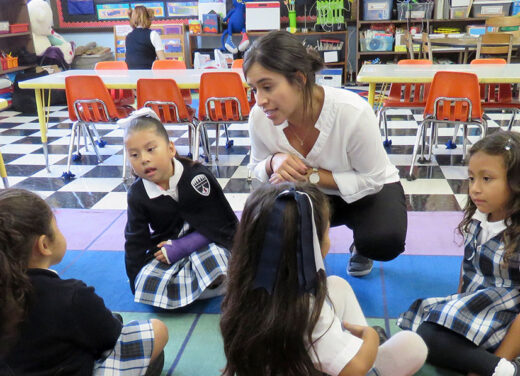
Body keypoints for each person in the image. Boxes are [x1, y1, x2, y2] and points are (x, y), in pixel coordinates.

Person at [220, 182, 428, 376]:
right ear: (311, 247)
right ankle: (363, 351)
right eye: (327, 232)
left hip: (282, 364)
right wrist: (370, 339)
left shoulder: (243, 285)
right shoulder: (308, 310)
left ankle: (352, 346)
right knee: (412, 345)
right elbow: (354, 370)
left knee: (337, 285)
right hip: (329, 365)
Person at [244, 30, 406, 277]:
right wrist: (272, 162)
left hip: (367, 191)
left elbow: (372, 180)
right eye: (254, 89)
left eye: (267, 87)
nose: (260, 100)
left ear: (299, 79)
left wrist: (310, 176)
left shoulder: (352, 113)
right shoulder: (259, 118)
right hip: (312, 196)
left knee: (383, 239)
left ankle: (362, 246)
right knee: (268, 226)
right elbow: (255, 168)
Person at [0, 188, 168, 376]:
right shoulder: (71, 296)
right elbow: (111, 337)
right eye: (57, 227)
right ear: (44, 245)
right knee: (157, 330)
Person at [398, 131, 520, 376]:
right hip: (480, 310)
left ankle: (501, 369)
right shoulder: (478, 219)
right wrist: (456, 308)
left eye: (487, 179)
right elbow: (467, 272)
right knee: (421, 333)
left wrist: (499, 360)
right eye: (472, 178)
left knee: (428, 339)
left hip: (510, 322)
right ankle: (489, 365)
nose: (475, 189)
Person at [123, 108, 238, 309]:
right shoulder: (137, 194)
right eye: (134, 154)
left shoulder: (197, 177)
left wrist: (185, 246)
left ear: (170, 149)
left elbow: (224, 223)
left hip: (207, 242)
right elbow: (135, 240)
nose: (144, 159)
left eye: (151, 149)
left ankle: (202, 287)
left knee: (219, 260)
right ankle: (202, 288)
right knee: (147, 281)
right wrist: (136, 278)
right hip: (167, 250)